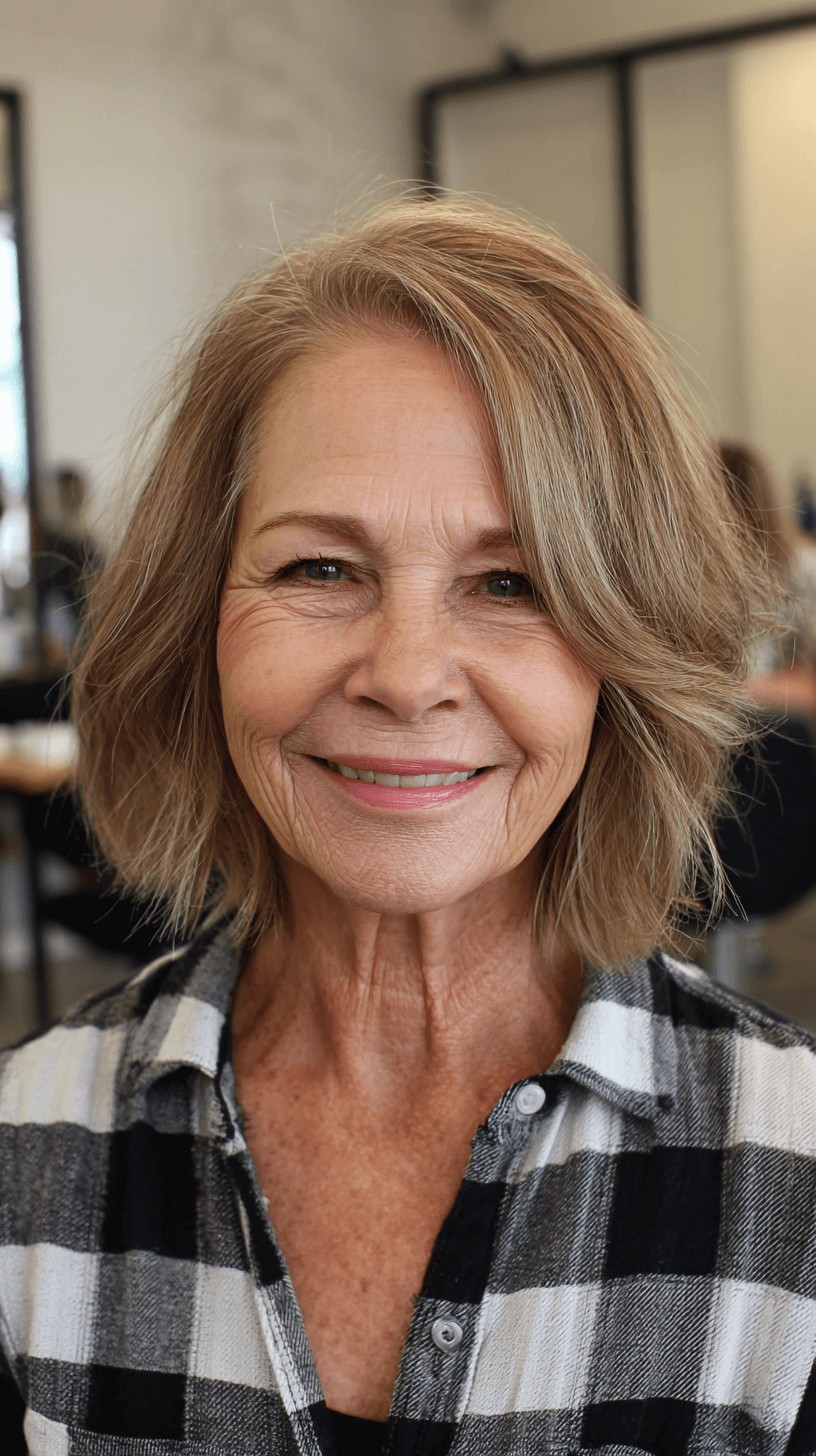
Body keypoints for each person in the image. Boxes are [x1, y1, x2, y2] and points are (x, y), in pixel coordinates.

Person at [1, 197, 814, 1456]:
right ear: (194, 625)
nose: (408, 673)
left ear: (623, 653)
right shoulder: (21, 1154)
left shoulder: (798, 1180)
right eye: (320, 568)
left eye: (511, 582)